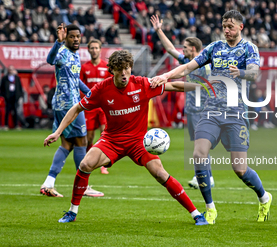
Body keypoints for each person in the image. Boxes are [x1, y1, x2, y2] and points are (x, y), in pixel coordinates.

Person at [44, 50, 209, 226]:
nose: (124, 73)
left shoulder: (143, 84)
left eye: (127, 68)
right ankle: (72, 212)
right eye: (119, 69)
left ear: (131, 67)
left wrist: (203, 86)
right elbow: (77, 108)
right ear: (112, 70)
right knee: (85, 165)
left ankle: (196, 214)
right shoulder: (101, 89)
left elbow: (175, 86)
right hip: (112, 140)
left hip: (139, 142)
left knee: (160, 173)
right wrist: (58, 132)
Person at [151, 10, 273, 224]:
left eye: (231, 26)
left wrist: (241, 72)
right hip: (211, 112)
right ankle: (210, 208)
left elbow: (254, 73)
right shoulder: (214, 48)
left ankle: (264, 197)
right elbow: (188, 66)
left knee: (240, 169)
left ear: (240, 27)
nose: (227, 30)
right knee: (199, 154)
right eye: (224, 26)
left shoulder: (249, 48)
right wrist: (165, 76)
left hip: (235, 114)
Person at [150, 14, 216, 220]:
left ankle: (207, 177)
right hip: (192, 110)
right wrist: (159, 30)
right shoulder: (188, 62)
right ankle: (204, 175)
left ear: (194, 49)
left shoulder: (203, 66)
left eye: (186, 47)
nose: (183, 50)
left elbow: (202, 86)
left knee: (200, 145)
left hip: (203, 110)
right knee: (197, 145)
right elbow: (170, 49)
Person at [40, 23, 104, 198]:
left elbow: (76, 81)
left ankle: (48, 184)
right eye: (72, 36)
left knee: (67, 145)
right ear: (66, 37)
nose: (76, 39)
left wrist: (91, 93)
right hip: (69, 104)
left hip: (69, 103)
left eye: (78, 36)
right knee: (82, 142)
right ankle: (83, 186)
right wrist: (57, 42)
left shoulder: (76, 56)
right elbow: (50, 60)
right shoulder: (62, 52)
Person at [80, 39, 113, 175]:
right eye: (92, 48)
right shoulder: (84, 68)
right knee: (89, 137)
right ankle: (90, 160)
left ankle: (103, 165)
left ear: (100, 50)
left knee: (104, 134)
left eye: (96, 48)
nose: (94, 50)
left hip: (104, 107)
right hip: (90, 107)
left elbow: (112, 85)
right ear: (88, 50)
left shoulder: (106, 67)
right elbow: (80, 86)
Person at [0, 65, 25, 130]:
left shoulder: (16, 78)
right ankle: (6, 125)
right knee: (7, 111)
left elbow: (19, 87)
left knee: (15, 111)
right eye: (10, 70)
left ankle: (16, 125)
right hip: (8, 97)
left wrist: (19, 96)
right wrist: (4, 95)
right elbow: (2, 88)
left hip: (15, 97)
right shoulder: (5, 78)